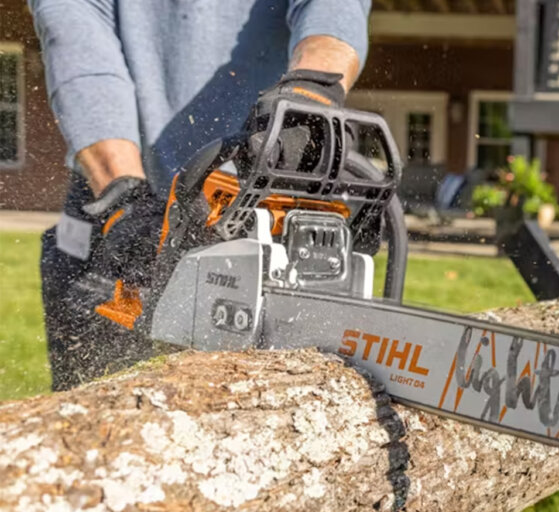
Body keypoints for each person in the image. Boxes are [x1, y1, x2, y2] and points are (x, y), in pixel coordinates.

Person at [28, 0, 371, 391]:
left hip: (253, 191)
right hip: (116, 195)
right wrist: (121, 188)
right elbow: (74, 24)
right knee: (92, 414)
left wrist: (312, 88)